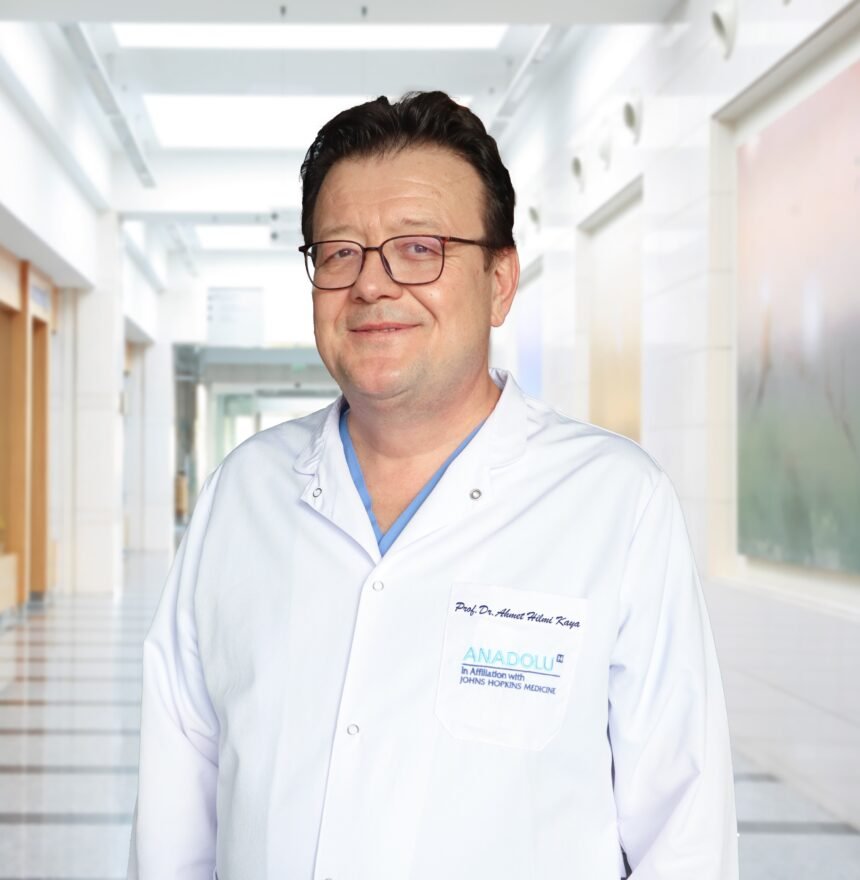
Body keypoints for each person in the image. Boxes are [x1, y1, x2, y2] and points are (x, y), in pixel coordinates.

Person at [128, 91, 738, 880]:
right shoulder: (241, 495)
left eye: (419, 248)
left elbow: (684, 833)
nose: (371, 285)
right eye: (339, 252)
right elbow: (177, 806)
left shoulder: (615, 503)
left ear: (500, 280)